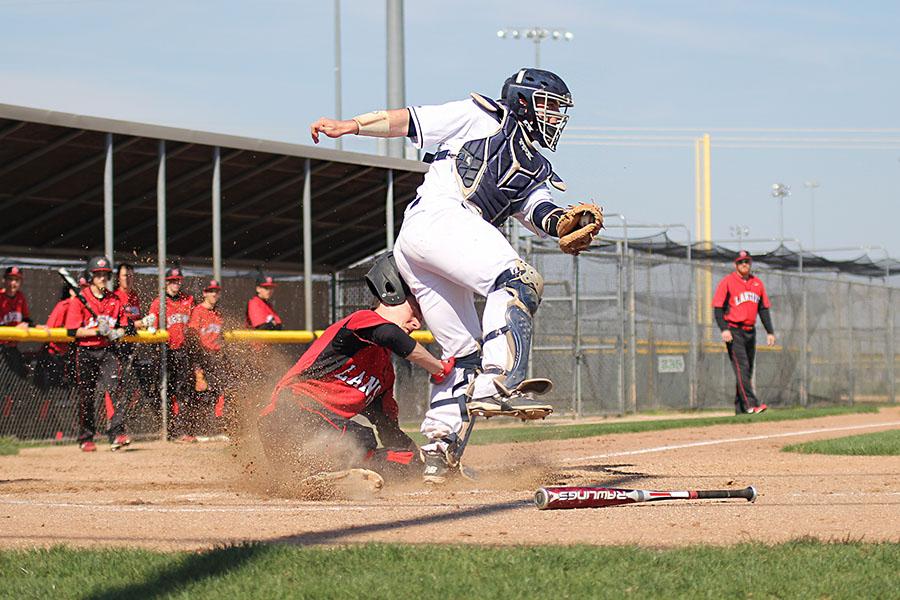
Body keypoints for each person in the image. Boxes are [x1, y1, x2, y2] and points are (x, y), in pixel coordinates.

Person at [309, 68, 603, 482]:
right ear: (523, 100)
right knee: (518, 281)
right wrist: (352, 126)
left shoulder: (536, 166)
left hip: (425, 241)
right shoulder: (480, 115)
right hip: (441, 218)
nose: (555, 117)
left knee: (462, 356)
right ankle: (500, 380)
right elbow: (407, 119)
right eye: (549, 106)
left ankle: (438, 456)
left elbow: (539, 212)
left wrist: (565, 224)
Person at [257, 254, 453, 489]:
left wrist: (424, 461)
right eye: (414, 312)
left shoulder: (384, 374)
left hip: (322, 436)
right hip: (287, 414)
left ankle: (310, 480)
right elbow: (389, 335)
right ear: (391, 296)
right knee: (359, 438)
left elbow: (389, 429)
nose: (416, 324)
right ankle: (315, 473)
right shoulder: (361, 320)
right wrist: (438, 367)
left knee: (399, 462)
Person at [64, 257, 135, 451]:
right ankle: (86, 437)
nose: (102, 278)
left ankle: (117, 433)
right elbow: (72, 332)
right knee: (86, 395)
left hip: (108, 350)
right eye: (98, 275)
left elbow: (127, 327)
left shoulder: (115, 300)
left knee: (116, 390)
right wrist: (97, 331)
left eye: (105, 275)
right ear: (92, 276)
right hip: (86, 350)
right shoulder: (81, 299)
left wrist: (118, 332)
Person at [712, 250, 777, 415]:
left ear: (750, 263)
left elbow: (763, 309)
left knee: (746, 371)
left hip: (750, 331)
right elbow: (718, 308)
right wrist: (724, 329)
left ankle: (740, 410)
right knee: (742, 367)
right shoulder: (728, 282)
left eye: (747, 261)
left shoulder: (757, 283)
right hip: (734, 330)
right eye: (741, 262)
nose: (744, 265)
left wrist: (770, 331)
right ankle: (750, 404)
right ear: (736, 265)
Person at [148, 266, 195, 441]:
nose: (176, 284)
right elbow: (151, 323)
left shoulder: (187, 300)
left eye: (178, 281)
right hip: (164, 352)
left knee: (182, 391)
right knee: (164, 390)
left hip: (182, 351)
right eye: (172, 281)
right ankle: (167, 428)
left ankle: (181, 429)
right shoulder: (159, 302)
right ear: (166, 282)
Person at [186, 279, 228, 438]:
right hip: (202, 356)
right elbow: (192, 337)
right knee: (202, 392)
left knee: (219, 392)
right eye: (211, 291)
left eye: (216, 291)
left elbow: (220, 337)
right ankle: (199, 430)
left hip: (216, 357)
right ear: (204, 293)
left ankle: (215, 428)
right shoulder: (198, 311)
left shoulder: (218, 313)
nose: (214, 294)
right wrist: (197, 367)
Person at [0, 266, 32, 381]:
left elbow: (26, 319)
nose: (13, 283)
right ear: (4, 280)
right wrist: (15, 328)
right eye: (10, 279)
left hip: (12, 348)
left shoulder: (20, 297)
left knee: (18, 379)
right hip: (1, 347)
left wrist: (32, 325)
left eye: (16, 280)